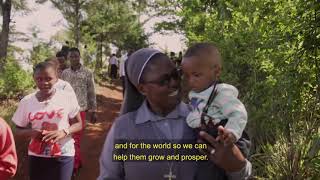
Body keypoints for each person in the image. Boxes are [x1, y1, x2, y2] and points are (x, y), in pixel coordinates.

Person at [98, 48, 251, 180]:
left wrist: (236, 165)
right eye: (164, 81)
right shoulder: (123, 128)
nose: (174, 83)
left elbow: (242, 173)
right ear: (142, 89)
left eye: (176, 74)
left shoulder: (206, 117)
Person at [11, 61, 83, 180]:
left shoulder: (66, 97)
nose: (44, 83)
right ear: (33, 78)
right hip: (37, 155)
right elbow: (17, 129)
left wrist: (63, 132)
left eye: (48, 78)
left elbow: (78, 124)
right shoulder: (26, 102)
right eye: (39, 79)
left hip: (63, 153)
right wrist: (32, 133)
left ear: (56, 78)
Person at [181, 42, 247, 146]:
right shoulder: (195, 94)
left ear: (216, 72)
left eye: (196, 75)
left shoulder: (221, 93)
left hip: (221, 139)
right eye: (187, 76)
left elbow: (238, 113)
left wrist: (231, 133)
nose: (190, 81)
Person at [61, 47, 97, 175]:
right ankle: (78, 160)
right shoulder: (65, 73)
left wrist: (93, 110)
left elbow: (91, 92)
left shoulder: (87, 72)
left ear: (80, 57)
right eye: (71, 56)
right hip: (66, 111)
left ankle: (73, 167)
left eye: (76, 56)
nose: (74, 58)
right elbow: (60, 91)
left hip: (80, 111)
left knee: (75, 139)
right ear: (68, 58)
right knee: (67, 137)